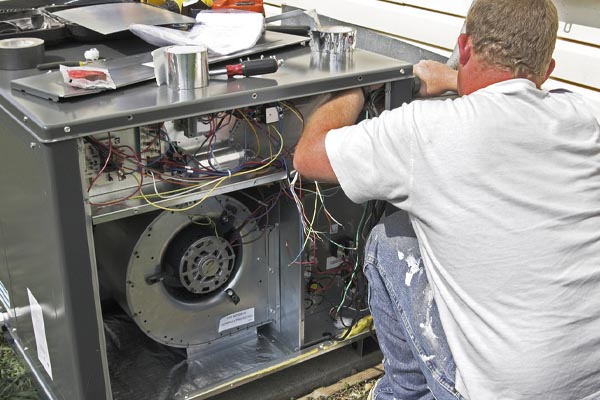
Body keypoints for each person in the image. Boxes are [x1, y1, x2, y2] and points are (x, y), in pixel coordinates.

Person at [293, 0, 600, 399]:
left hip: (503, 393)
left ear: (464, 47)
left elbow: (307, 156)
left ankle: (405, 391)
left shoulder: (427, 131)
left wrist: (357, 85)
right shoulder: (585, 117)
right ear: (547, 71)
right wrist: (459, 79)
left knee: (390, 240)